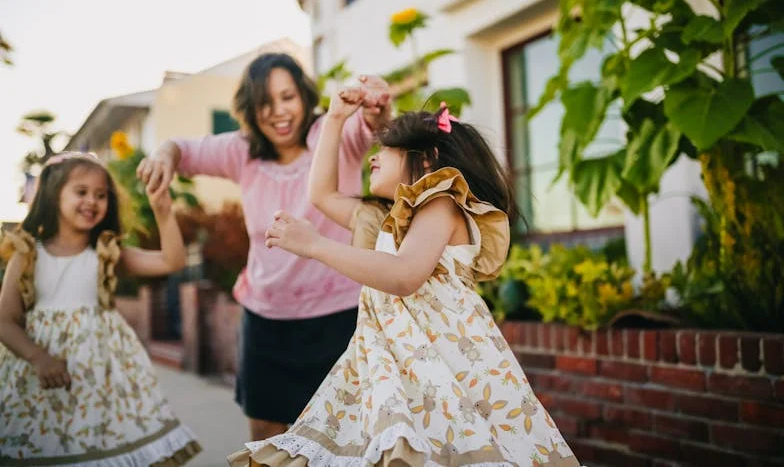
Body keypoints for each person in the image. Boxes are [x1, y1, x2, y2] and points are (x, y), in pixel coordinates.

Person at [229, 90, 581, 466]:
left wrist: (315, 245)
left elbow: (404, 275)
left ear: (427, 161)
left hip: (445, 365)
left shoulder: (441, 203)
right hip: (392, 363)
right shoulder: (380, 217)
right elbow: (321, 193)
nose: (374, 157)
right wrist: (334, 120)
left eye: (387, 150)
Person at [136, 53, 391, 441]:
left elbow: (373, 126)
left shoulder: (333, 132)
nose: (278, 112)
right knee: (266, 440)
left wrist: (377, 107)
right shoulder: (242, 151)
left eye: (287, 97)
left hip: (343, 318)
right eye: (264, 103)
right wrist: (163, 155)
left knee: (346, 439)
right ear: (251, 111)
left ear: (305, 96)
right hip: (266, 322)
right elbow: (180, 149)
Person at [0, 152, 201, 466]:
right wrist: (38, 358)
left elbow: (171, 261)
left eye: (101, 195)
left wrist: (163, 211)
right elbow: (5, 321)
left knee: (99, 452)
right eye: (81, 192)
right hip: (40, 377)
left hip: (101, 386)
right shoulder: (27, 254)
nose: (92, 201)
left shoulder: (107, 252)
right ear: (53, 196)